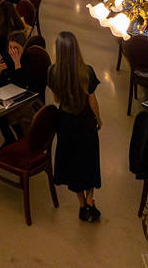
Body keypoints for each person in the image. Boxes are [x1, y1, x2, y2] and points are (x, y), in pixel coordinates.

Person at [48, 31, 102, 222]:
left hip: (66, 122)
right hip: (85, 122)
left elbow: (56, 99)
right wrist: (99, 119)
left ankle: (81, 205)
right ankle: (90, 200)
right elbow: (92, 100)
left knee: (73, 164)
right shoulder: (87, 71)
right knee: (89, 161)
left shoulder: (53, 72)